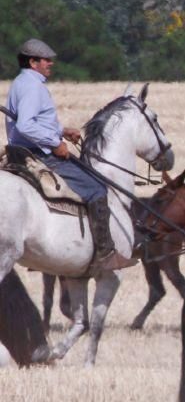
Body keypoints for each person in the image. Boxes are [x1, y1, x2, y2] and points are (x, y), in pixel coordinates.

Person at [5, 38, 115, 266]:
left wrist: (61, 131)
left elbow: (32, 121)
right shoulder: (33, 86)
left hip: (23, 149)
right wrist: (54, 144)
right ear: (33, 62)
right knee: (96, 189)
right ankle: (106, 254)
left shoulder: (22, 82)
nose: (50, 63)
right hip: (39, 153)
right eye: (46, 60)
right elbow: (26, 124)